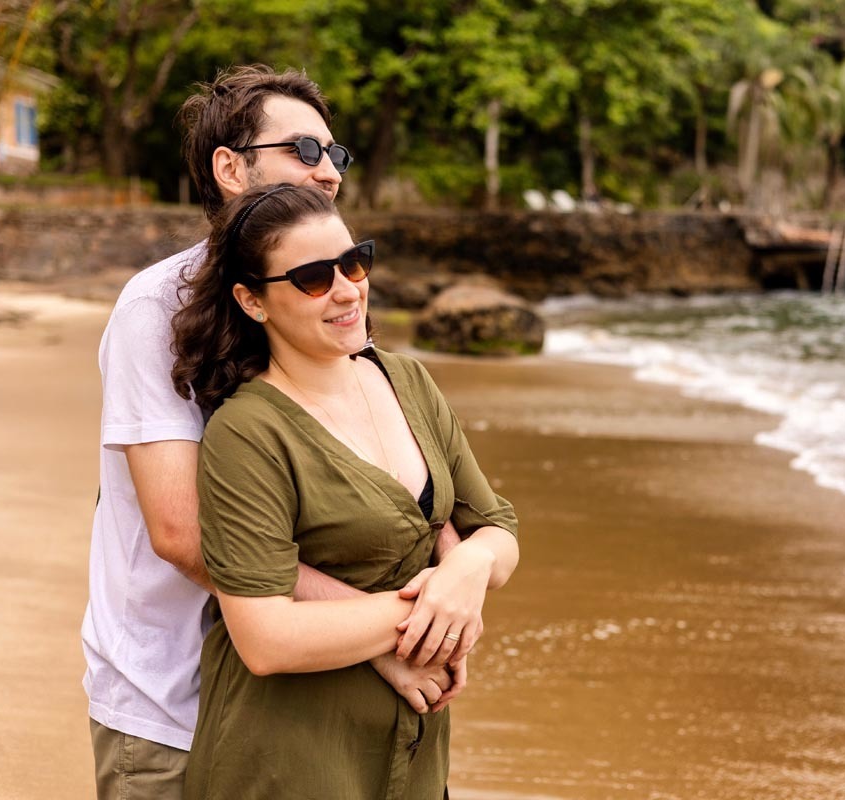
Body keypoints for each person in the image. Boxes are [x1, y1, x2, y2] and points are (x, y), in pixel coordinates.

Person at [80, 65, 466, 800]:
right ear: (229, 168)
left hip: (313, 695)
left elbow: (414, 487)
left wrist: (458, 582)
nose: (327, 175)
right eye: (303, 151)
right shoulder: (154, 309)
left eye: (335, 155)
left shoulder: (322, 296)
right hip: (173, 698)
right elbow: (183, 532)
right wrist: (391, 638)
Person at [168, 182, 519, 798]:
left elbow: (498, 527)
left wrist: (468, 565)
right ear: (253, 302)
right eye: (311, 278)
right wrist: (432, 616)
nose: (346, 289)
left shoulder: (406, 378)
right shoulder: (247, 432)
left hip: (412, 754)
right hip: (287, 760)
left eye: (354, 262)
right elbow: (265, 638)